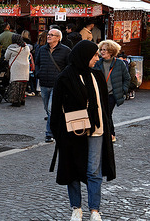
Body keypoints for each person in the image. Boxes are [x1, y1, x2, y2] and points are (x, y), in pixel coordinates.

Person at [50, 40, 116, 221]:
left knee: (94, 170)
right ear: (84, 56)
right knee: (73, 169)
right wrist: (58, 134)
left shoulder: (97, 76)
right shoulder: (65, 77)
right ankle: (76, 208)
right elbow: (55, 109)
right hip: (72, 132)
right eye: (94, 55)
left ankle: (95, 210)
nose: (97, 58)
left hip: (97, 129)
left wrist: (110, 128)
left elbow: (104, 106)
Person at [35, 28, 71, 143]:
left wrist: (63, 80)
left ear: (58, 38)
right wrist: (38, 73)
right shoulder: (41, 49)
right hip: (44, 83)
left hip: (57, 85)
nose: (48, 36)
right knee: (47, 109)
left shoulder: (66, 51)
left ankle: (49, 134)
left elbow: (69, 67)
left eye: (52, 35)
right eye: (48, 34)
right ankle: (57, 124)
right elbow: (37, 63)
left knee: (51, 110)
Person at [93, 40, 130, 142]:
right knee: (104, 114)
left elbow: (127, 78)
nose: (102, 52)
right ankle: (108, 133)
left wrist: (123, 91)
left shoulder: (119, 63)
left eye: (105, 50)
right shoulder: (98, 63)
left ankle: (111, 134)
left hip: (112, 95)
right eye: (101, 50)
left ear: (111, 51)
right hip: (100, 94)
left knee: (107, 113)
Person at [5, 34, 31, 107]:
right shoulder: (26, 47)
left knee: (15, 84)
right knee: (23, 84)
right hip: (25, 67)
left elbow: (6, 57)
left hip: (16, 67)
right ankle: (22, 99)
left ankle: (16, 101)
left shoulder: (11, 48)